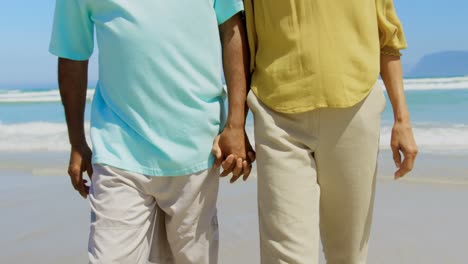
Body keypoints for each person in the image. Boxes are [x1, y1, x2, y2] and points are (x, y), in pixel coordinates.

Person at [49, 0, 253, 263]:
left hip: (196, 149)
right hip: (119, 148)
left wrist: (236, 124)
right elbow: (72, 55)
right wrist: (76, 141)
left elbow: (232, 29)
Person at [243, 0, 418, 263]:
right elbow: (242, 36)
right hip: (277, 116)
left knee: (348, 256)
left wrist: (402, 119)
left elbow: (387, 36)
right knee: (285, 256)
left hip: (354, 109)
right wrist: (235, 124)